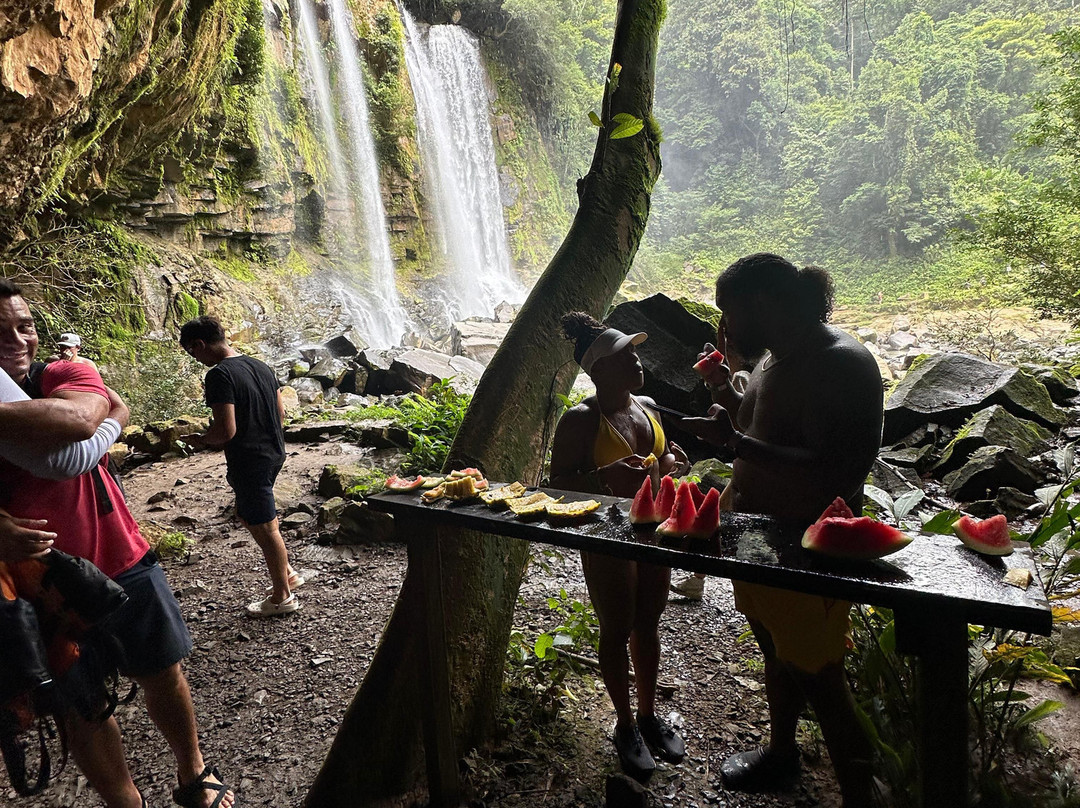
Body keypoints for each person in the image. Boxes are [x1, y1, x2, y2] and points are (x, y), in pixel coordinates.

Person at [0, 279, 235, 808]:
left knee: (163, 669)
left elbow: (79, 419)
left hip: (120, 555)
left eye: (25, 325)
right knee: (81, 705)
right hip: (40, 584)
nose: (17, 340)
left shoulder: (63, 371)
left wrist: (109, 417)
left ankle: (193, 772)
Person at [681, 254, 883, 808]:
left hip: (805, 544)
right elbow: (756, 420)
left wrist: (738, 446)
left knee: (822, 679)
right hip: (753, 533)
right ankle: (782, 753)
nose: (724, 327)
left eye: (728, 311)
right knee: (773, 647)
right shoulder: (775, 356)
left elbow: (833, 467)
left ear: (761, 304)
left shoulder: (838, 362)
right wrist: (726, 397)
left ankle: (861, 798)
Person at [549, 312, 690, 781]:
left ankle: (648, 715)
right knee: (617, 624)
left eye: (635, 351)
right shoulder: (580, 421)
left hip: (654, 530)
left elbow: (664, 465)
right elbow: (554, 487)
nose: (637, 359)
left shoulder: (647, 405)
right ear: (599, 370)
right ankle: (624, 724)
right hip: (606, 536)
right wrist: (602, 479)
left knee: (649, 620)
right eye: (625, 354)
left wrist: (673, 462)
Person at [180, 315, 301, 617]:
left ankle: (282, 596)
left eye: (192, 353)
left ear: (200, 344)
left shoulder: (220, 375)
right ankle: (286, 572)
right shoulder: (261, 366)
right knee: (247, 514)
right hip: (274, 451)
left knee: (264, 524)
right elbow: (281, 414)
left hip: (250, 458)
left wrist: (201, 439)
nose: (196, 359)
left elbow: (226, 431)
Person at [670, 329, 764, 601]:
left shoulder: (748, 377)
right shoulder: (747, 375)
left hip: (754, 473)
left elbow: (742, 428)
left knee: (712, 522)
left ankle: (697, 579)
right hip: (743, 473)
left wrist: (731, 438)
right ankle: (697, 579)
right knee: (711, 520)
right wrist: (718, 385)